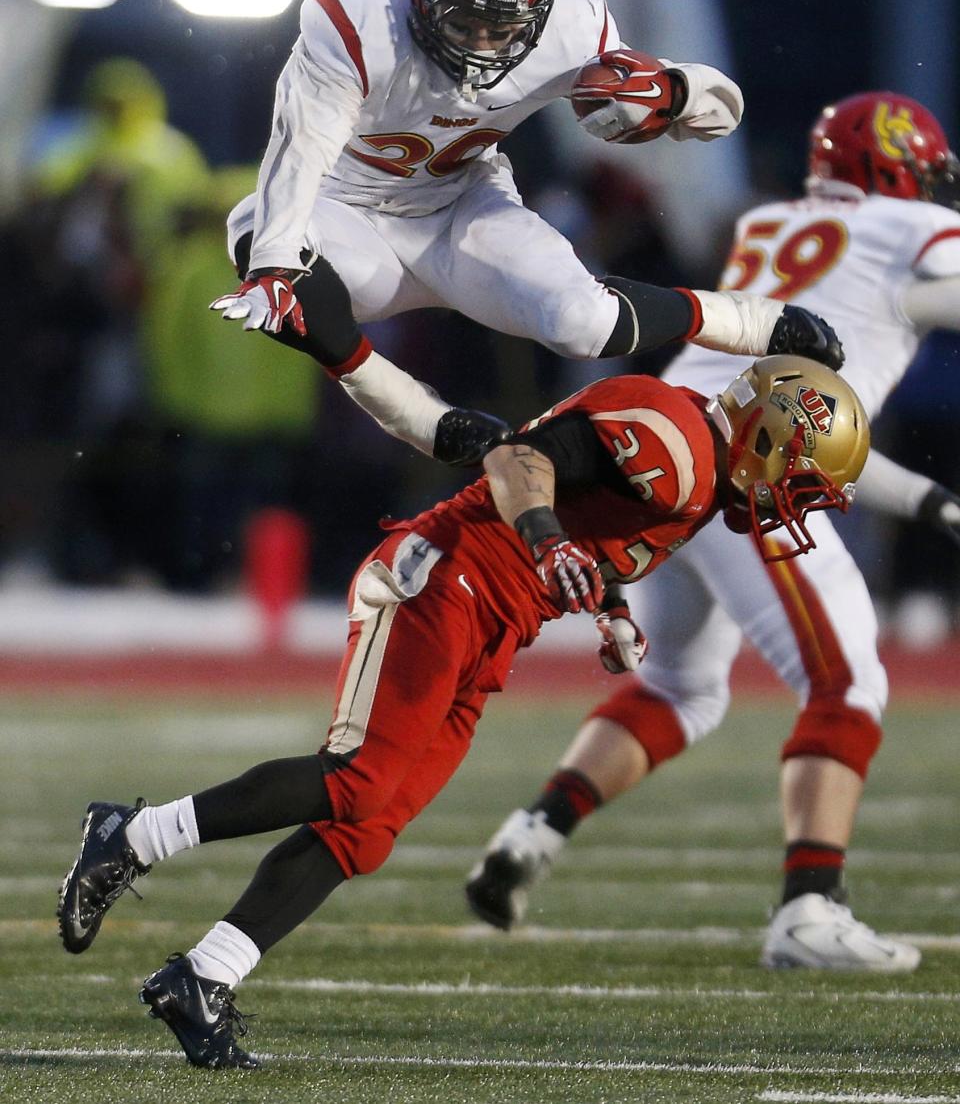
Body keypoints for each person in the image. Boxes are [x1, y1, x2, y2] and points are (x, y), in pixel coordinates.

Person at [57, 354, 868, 1068]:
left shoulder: (697, 467)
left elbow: (592, 518)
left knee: (368, 827)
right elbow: (518, 458)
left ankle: (202, 977)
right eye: (803, 481)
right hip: (446, 576)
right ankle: (129, 836)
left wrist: (613, 608)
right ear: (767, 435)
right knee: (357, 777)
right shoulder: (675, 439)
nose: (797, 506)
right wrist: (550, 546)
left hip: (496, 618)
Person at [465, 90, 960, 973]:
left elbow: (825, 433)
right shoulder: (909, 228)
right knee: (847, 684)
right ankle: (811, 909)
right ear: (900, 170)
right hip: (748, 473)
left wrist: (931, 501)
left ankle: (530, 834)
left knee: (683, 688)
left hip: (676, 453)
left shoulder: (771, 221)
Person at [205, 0, 843, 466]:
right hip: (343, 209)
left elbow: (717, 115)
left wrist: (675, 91)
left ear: (539, 11)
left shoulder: (574, 19)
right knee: (271, 248)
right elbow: (301, 151)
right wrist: (274, 263)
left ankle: (745, 321)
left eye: (502, 28)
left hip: (458, 204)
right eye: (464, 22)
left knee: (582, 324)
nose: (482, 44)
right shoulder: (356, 11)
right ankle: (419, 417)